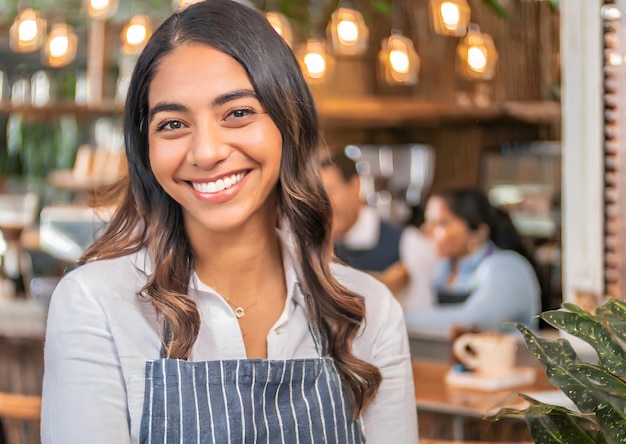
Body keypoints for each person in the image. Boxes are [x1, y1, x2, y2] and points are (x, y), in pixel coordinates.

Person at [40, 1, 417, 443]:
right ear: (145, 148)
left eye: (238, 113)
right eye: (173, 123)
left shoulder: (367, 312)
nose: (205, 152)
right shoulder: (96, 304)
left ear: (289, 122)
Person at [404, 187, 541, 338]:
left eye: (441, 223)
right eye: (427, 222)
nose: (427, 231)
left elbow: (475, 321)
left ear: (477, 232)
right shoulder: (442, 269)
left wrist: (395, 318)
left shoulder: (507, 267)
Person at [319, 149, 437, 312]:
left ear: (355, 185)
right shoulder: (312, 246)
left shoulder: (407, 245)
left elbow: (421, 316)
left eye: (330, 191)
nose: (323, 204)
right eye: (315, 195)